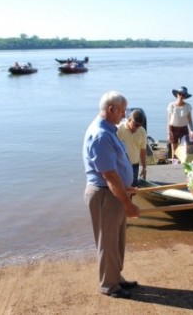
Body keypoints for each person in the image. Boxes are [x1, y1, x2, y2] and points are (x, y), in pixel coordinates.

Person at [83, 91, 140, 299]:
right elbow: (109, 175)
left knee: (117, 239)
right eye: (123, 112)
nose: (125, 116)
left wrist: (126, 190)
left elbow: (116, 170)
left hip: (113, 193)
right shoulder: (100, 135)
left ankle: (116, 277)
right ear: (111, 110)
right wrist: (128, 204)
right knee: (107, 241)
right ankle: (109, 284)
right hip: (105, 195)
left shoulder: (109, 130)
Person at [117, 109, 147, 186]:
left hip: (134, 165)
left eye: (140, 125)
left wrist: (144, 168)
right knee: (121, 188)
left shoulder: (142, 131)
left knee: (132, 189)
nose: (137, 128)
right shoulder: (119, 129)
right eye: (136, 125)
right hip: (121, 165)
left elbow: (143, 150)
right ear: (129, 120)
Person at [167, 86, 193, 162]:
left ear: (185, 97)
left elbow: (190, 120)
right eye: (180, 94)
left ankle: (182, 163)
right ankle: (174, 163)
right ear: (177, 95)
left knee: (184, 147)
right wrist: (169, 133)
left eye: (183, 95)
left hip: (184, 128)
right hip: (173, 128)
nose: (181, 96)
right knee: (174, 148)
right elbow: (169, 121)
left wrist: (192, 130)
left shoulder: (187, 106)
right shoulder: (171, 105)